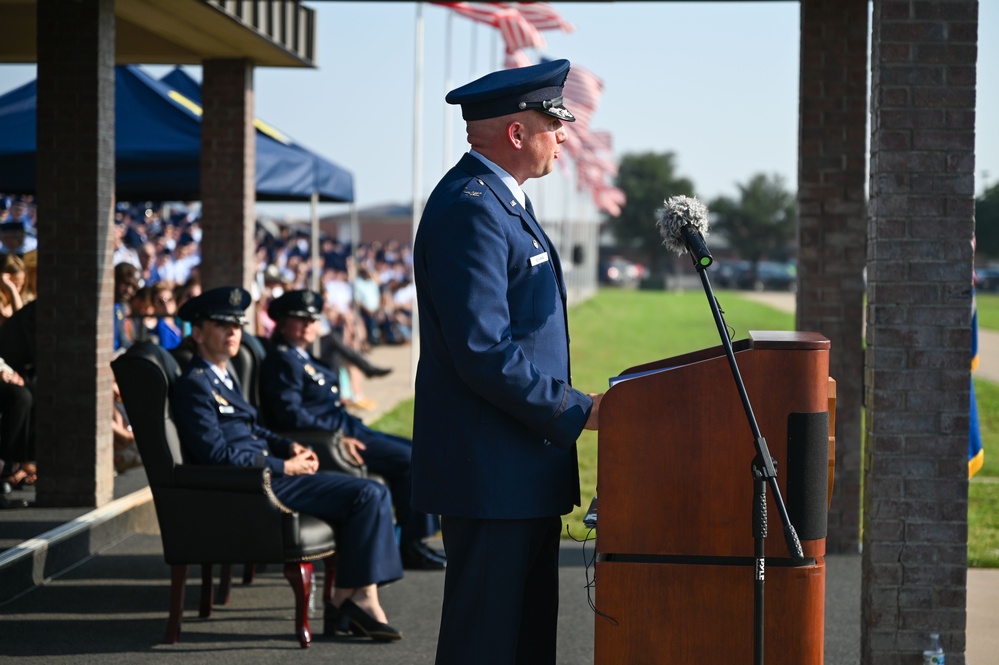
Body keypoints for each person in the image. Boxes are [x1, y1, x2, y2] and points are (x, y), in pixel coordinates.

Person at [411, 59, 603, 665]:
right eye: (554, 123)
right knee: (486, 642)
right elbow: (482, 351)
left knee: (522, 641)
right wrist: (579, 409)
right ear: (517, 133)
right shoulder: (473, 208)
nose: (564, 135)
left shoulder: (500, 201)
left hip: (518, 469)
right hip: (491, 472)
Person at [170, 286, 404, 641]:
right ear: (198, 334)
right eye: (221, 325)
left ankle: (353, 598)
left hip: (265, 473)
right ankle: (354, 600)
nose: (233, 332)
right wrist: (283, 466)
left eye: (236, 325)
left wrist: (289, 445)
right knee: (368, 494)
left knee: (371, 492)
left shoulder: (221, 376)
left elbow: (252, 428)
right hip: (256, 486)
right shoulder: (195, 386)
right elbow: (216, 456)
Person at [259, 290, 445, 570]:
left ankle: (414, 540)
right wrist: (336, 438)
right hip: (333, 437)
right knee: (411, 460)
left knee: (416, 450)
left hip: (347, 427)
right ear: (282, 324)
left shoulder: (302, 357)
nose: (308, 325)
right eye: (299, 320)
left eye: (312, 319)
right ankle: (410, 545)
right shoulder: (283, 359)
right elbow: (290, 413)